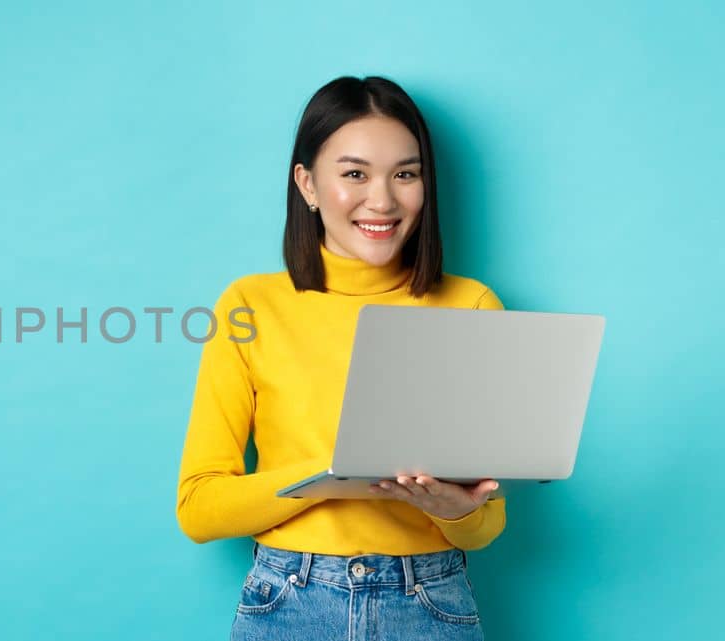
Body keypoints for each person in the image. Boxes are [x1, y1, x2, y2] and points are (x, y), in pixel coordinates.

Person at [175, 75, 507, 641]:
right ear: (306, 183)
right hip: (289, 598)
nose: (382, 200)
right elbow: (200, 508)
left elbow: (487, 524)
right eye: (354, 174)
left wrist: (453, 507)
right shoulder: (250, 305)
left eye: (406, 173)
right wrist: (335, 471)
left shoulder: (470, 305)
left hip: (429, 601)